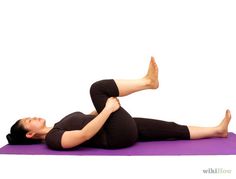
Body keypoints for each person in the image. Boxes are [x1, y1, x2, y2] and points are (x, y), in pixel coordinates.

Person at [6, 57, 232, 150]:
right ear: (29, 134)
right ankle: (148, 82)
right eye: (29, 120)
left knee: (170, 127)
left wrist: (100, 110)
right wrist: (107, 109)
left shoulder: (58, 123)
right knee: (97, 88)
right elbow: (84, 134)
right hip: (114, 136)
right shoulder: (53, 139)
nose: (33, 117)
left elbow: (87, 117)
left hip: (118, 127)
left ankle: (217, 130)